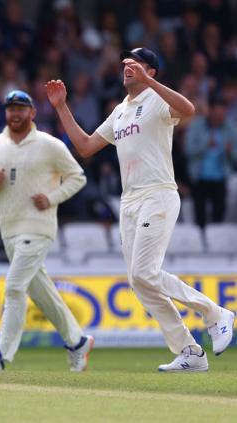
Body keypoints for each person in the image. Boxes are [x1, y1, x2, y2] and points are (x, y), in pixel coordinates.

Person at [46, 47, 235, 372]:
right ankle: (189, 351)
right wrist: (62, 107)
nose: (128, 67)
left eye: (137, 64)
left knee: (146, 273)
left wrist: (151, 82)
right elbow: (87, 146)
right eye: (126, 63)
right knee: (138, 280)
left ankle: (215, 313)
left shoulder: (158, 99)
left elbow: (188, 109)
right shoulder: (121, 110)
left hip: (158, 194)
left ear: (152, 71)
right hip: (130, 201)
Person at [0, 90, 93, 372]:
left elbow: (78, 177)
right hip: (9, 230)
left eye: (21, 108)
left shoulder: (49, 144)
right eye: (11, 108)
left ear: (32, 113)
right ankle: (77, 341)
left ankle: (1, 356)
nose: (15, 113)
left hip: (38, 228)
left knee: (14, 287)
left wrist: (51, 198)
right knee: (42, 293)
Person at [184, 97, 237, 228]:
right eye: (218, 114)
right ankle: (200, 244)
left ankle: (215, 243)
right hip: (199, 177)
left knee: (219, 214)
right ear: (211, 111)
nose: (221, 117)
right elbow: (188, 150)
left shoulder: (230, 127)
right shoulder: (197, 125)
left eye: (223, 114)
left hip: (220, 177)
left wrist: (230, 152)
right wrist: (205, 144)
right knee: (199, 216)